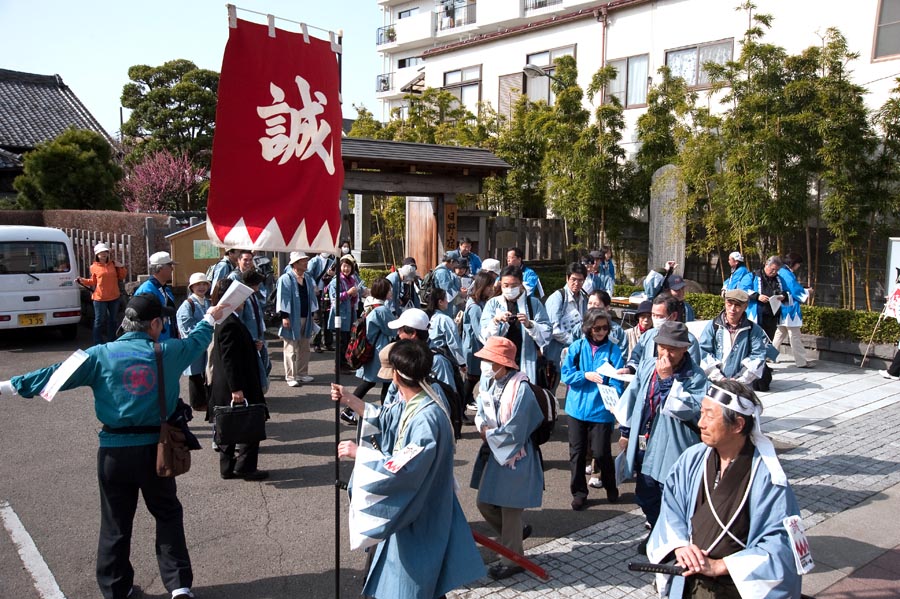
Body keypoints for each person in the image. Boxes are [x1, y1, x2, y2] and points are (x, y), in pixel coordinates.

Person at [0, 294, 228, 599]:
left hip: (113, 452)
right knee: (167, 514)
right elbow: (199, 339)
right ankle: (179, 587)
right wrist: (211, 316)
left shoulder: (99, 354)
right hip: (157, 450)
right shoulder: (169, 351)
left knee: (115, 522)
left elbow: (53, 375)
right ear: (156, 323)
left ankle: (116, 589)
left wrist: (9, 386)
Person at [332, 340, 485, 598]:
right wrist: (349, 398)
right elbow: (386, 417)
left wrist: (360, 453)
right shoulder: (421, 397)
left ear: (395, 375)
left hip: (419, 510)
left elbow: (403, 469)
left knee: (411, 582)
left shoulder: (426, 417)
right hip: (423, 503)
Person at [647, 380, 804, 599]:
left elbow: (782, 544)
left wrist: (722, 565)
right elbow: (671, 511)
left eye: (710, 416)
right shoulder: (691, 459)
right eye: (701, 413)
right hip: (690, 579)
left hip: (738, 586)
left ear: (738, 425)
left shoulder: (768, 476)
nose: (701, 423)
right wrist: (680, 546)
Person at [618, 321, 708, 552]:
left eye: (673, 349)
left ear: (685, 349)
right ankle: (659, 534)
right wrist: (626, 431)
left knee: (672, 497)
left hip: (673, 447)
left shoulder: (696, 376)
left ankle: (672, 544)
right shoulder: (649, 365)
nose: (666, 354)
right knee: (644, 494)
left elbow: (694, 411)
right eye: (662, 347)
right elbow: (634, 398)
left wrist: (668, 380)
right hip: (644, 442)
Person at [470, 336, 544, 580]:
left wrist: (488, 433)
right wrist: (483, 425)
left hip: (517, 457)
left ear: (504, 363)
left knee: (509, 508)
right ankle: (515, 537)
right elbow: (482, 410)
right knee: (485, 502)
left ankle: (512, 559)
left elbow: (517, 429)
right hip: (498, 453)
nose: (490, 366)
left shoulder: (521, 388)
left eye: (493, 361)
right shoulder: (495, 382)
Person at [561, 308, 625, 510]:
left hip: (601, 410)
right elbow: (566, 375)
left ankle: (610, 483)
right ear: (588, 328)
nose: (601, 332)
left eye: (605, 328)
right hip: (576, 408)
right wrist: (584, 376)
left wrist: (615, 400)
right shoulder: (577, 347)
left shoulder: (613, 350)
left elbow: (617, 381)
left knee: (602, 452)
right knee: (577, 453)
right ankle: (579, 493)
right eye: (596, 328)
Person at [208, 278, 268, 481]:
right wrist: (237, 388)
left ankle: (227, 467)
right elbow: (229, 359)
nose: (244, 302)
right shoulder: (229, 322)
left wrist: (252, 345)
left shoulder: (224, 318)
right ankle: (245, 467)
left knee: (229, 424)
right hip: (237, 382)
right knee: (249, 423)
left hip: (230, 382)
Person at [480, 266, 552, 386]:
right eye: (505, 285)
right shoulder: (493, 304)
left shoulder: (533, 304)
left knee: (523, 394)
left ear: (521, 284)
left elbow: (547, 333)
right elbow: (484, 337)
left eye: (514, 285)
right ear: (500, 284)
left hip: (525, 360)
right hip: (499, 363)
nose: (509, 289)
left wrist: (530, 325)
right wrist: (496, 321)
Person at [699, 289, 769, 385]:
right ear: (725, 303)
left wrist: (740, 379)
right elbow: (703, 352)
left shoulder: (753, 329)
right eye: (729, 304)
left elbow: (758, 356)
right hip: (714, 382)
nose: (732, 309)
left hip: (741, 385)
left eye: (737, 305)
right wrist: (718, 377)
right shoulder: (713, 325)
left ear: (745, 307)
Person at [623, 296, 701, 374]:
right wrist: (629, 369)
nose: (656, 319)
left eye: (660, 316)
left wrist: (667, 377)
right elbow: (636, 359)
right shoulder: (648, 335)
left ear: (673, 316)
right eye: (653, 315)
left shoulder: (689, 341)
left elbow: (691, 373)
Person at [544, 263, 589, 392]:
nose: (577, 283)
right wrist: (573, 341)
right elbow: (553, 329)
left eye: (580, 280)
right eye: (573, 279)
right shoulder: (558, 298)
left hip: (575, 352)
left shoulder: (584, 298)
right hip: (556, 352)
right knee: (551, 387)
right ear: (567, 278)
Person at [276, 251, 318, 387]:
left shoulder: (307, 277)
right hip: (292, 317)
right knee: (290, 348)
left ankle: (302, 373)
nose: (306, 263)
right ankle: (290, 376)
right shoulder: (286, 278)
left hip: (306, 316)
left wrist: (312, 314)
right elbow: (283, 298)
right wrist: (284, 316)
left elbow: (312, 297)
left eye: (306, 260)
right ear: (295, 264)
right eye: (303, 261)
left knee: (305, 347)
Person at [353, 278, 395, 404]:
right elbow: (391, 330)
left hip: (370, 346)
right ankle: (385, 413)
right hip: (380, 349)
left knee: (369, 381)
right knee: (387, 381)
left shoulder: (370, 305)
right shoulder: (382, 310)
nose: (391, 292)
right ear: (384, 292)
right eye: (389, 290)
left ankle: (350, 409)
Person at [77, 242, 127, 345]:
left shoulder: (113, 264)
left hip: (114, 297)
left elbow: (122, 276)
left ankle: (111, 340)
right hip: (100, 298)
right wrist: (83, 281)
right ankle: (98, 342)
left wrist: (121, 266)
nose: (103, 254)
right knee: (99, 321)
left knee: (113, 320)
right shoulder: (93, 267)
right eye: (101, 252)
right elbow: (93, 281)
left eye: (105, 252)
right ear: (97, 255)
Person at [461, 271, 498, 409]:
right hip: (474, 348)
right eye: (490, 286)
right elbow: (480, 332)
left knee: (473, 379)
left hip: (476, 347)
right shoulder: (475, 307)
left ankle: (465, 403)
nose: (492, 289)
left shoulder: (479, 303)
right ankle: (461, 408)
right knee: (472, 379)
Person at [176, 272, 212, 411]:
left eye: (204, 284)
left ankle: (206, 399)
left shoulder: (208, 302)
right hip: (194, 344)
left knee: (206, 373)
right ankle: (197, 403)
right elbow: (185, 327)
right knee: (195, 374)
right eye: (198, 285)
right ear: (192, 287)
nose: (202, 287)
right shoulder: (187, 304)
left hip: (207, 343)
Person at [328, 254, 367, 369]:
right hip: (340, 315)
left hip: (351, 313)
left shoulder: (353, 279)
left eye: (349, 266)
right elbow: (334, 299)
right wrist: (349, 293)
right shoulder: (336, 281)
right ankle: (339, 365)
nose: (346, 269)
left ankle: (345, 362)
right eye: (344, 266)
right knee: (341, 340)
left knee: (348, 339)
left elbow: (360, 293)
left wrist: (357, 293)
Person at [773, 252, 812, 368]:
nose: (798, 266)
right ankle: (801, 361)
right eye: (798, 264)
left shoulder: (782, 271)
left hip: (782, 306)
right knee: (794, 335)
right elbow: (794, 289)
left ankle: (770, 356)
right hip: (789, 307)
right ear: (794, 263)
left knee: (780, 333)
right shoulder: (786, 273)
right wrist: (806, 291)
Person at [134, 251, 179, 341]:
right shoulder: (147, 290)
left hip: (167, 339)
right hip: (154, 342)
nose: (172, 269)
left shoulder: (166, 289)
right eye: (170, 266)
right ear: (161, 268)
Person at [426, 287, 466, 369]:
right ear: (440, 302)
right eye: (446, 299)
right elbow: (454, 343)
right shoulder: (444, 319)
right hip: (444, 355)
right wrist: (462, 363)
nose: (448, 301)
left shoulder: (429, 317)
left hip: (429, 353)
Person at [308, 251, 337, 352]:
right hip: (317, 293)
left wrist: (333, 274)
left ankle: (328, 342)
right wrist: (314, 286)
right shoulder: (314, 261)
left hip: (327, 292)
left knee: (328, 317)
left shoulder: (332, 261)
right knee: (318, 318)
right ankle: (317, 343)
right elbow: (308, 274)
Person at [587, 289, 629, 355]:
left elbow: (622, 355)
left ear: (607, 308)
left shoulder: (617, 330)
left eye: (596, 304)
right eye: (589, 303)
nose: (591, 307)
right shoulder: (580, 327)